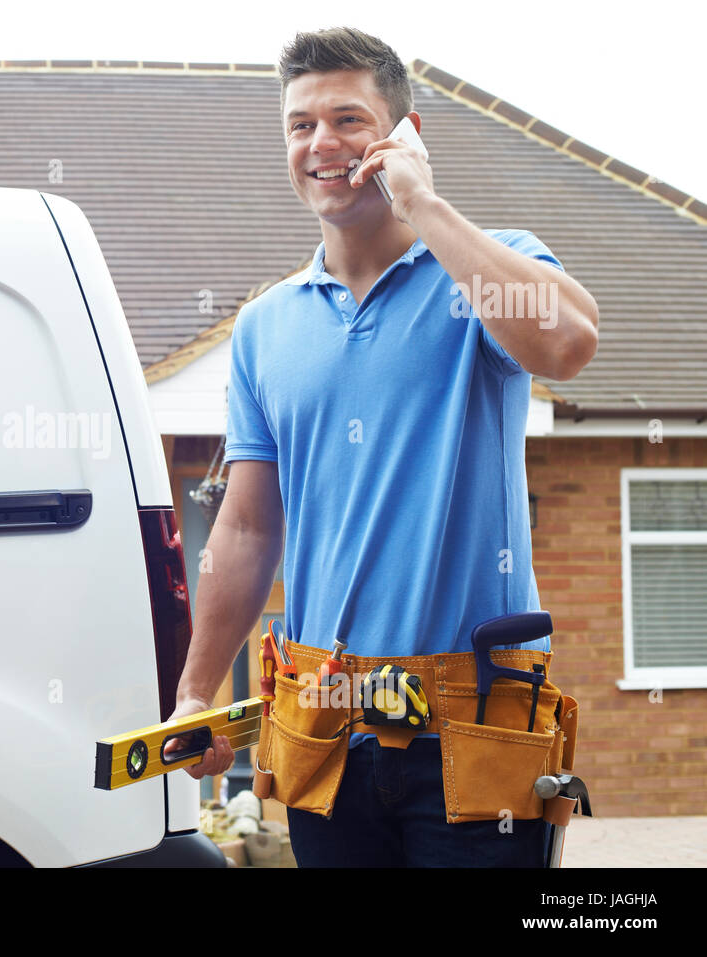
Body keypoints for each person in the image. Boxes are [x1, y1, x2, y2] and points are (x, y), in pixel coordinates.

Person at [164, 26, 598, 867]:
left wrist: (425, 207)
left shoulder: (486, 268)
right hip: (326, 730)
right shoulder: (266, 327)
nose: (321, 143)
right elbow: (249, 530)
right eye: (299, 125)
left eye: (347, 118)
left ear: (404, 135)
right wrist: (193, 692)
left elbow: (570, 343)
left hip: (475, 729)